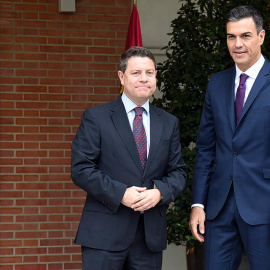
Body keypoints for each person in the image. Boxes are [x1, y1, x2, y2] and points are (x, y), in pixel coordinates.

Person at [71, 46, 187, 270]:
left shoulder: (169, 122)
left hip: (149, 238)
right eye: (136, 73)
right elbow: (81, 169)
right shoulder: (97, 117)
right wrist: (120, 193)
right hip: (104, 235)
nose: (144, 78)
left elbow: (178, 172)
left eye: (150, 73)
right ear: (121, 77)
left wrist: (160, 192)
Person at [189, 5, 270, 270]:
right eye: (230, 37)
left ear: (261, 36)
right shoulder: (217, 83)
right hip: (219, 208)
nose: (237, 44)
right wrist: (198, 203)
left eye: (245, 36)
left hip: (264, 205)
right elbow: (205, 147)